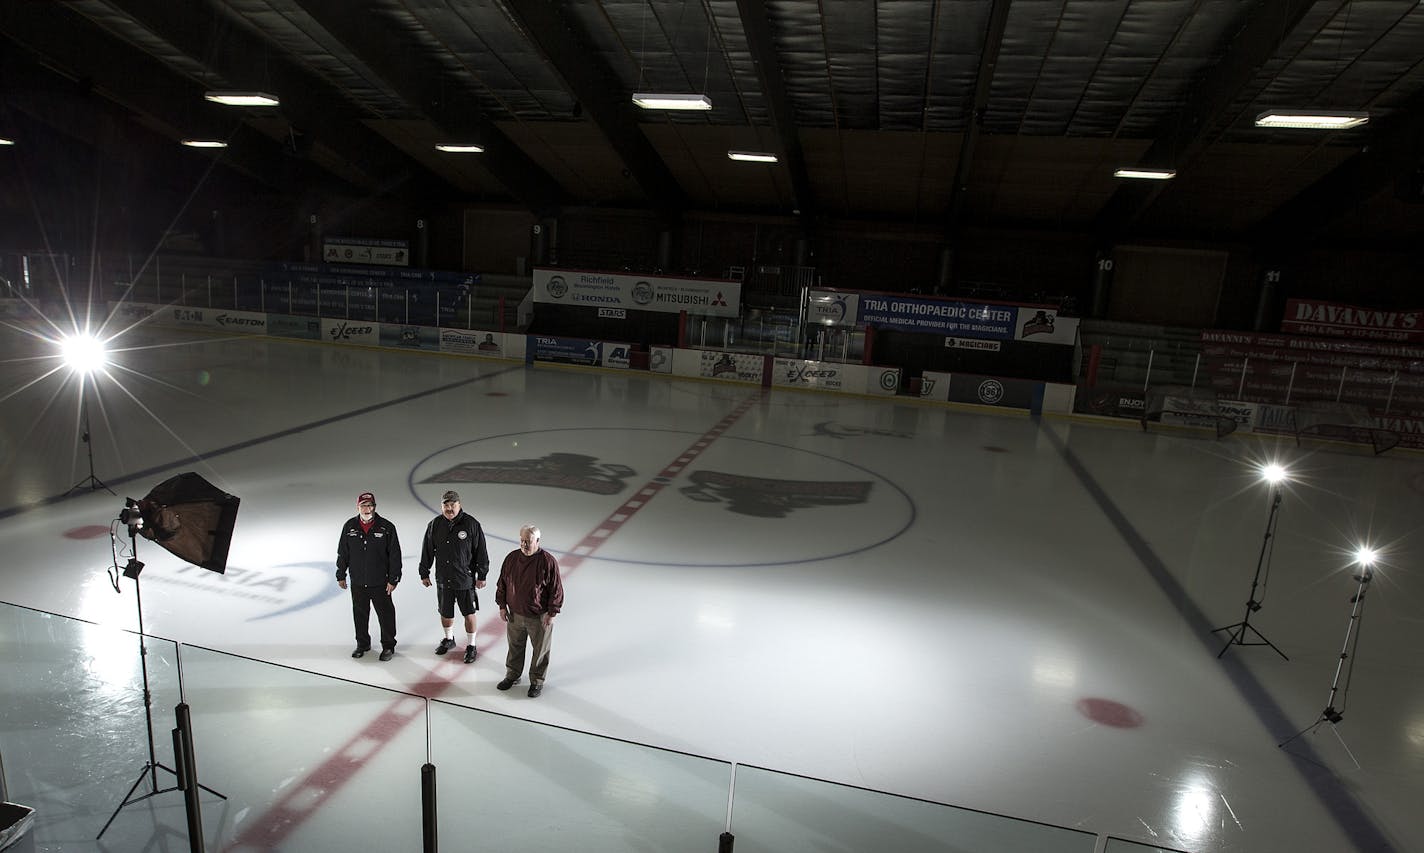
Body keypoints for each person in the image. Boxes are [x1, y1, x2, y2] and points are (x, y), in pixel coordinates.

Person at [419, 490, 489, 664]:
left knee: (469, 613)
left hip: (464, 579)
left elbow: (481, 551)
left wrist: (482, 574)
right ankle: (449, 639)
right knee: (445, 612)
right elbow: (427, 550)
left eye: (452, 504)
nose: (449, 508)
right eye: (446, 505)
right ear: (442, 505)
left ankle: (471, 645)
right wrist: (424, 572)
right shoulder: (435, 525)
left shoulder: (471, 524)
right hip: (443, 579)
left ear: (459, 504)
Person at [495, 524, 564, 697]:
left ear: (538, 541)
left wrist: (551, 613)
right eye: (522, 541)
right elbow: (502, 583)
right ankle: (512, 674)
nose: (525, 545)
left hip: (539, 617)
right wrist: (502, 606)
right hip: (515, 615)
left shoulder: (547, 561)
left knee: (540, 650)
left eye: (529, 541)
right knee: (515, 647)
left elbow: (556, 590)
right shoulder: (511, 558)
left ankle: (537, 681)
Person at [336, 491, 402, 661]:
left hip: (380, 582)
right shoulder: (349, 526)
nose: (367, 509)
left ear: (374, 507)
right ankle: (362, 644)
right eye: (363, 505)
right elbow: (343, 553)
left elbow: (395, 555)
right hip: (358, 582)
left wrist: (393, 579)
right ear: (358, 507)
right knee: (360, 614)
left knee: (386, 615)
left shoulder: (386, 527)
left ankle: (388, 646)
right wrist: (341, 574)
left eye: (370, 505)